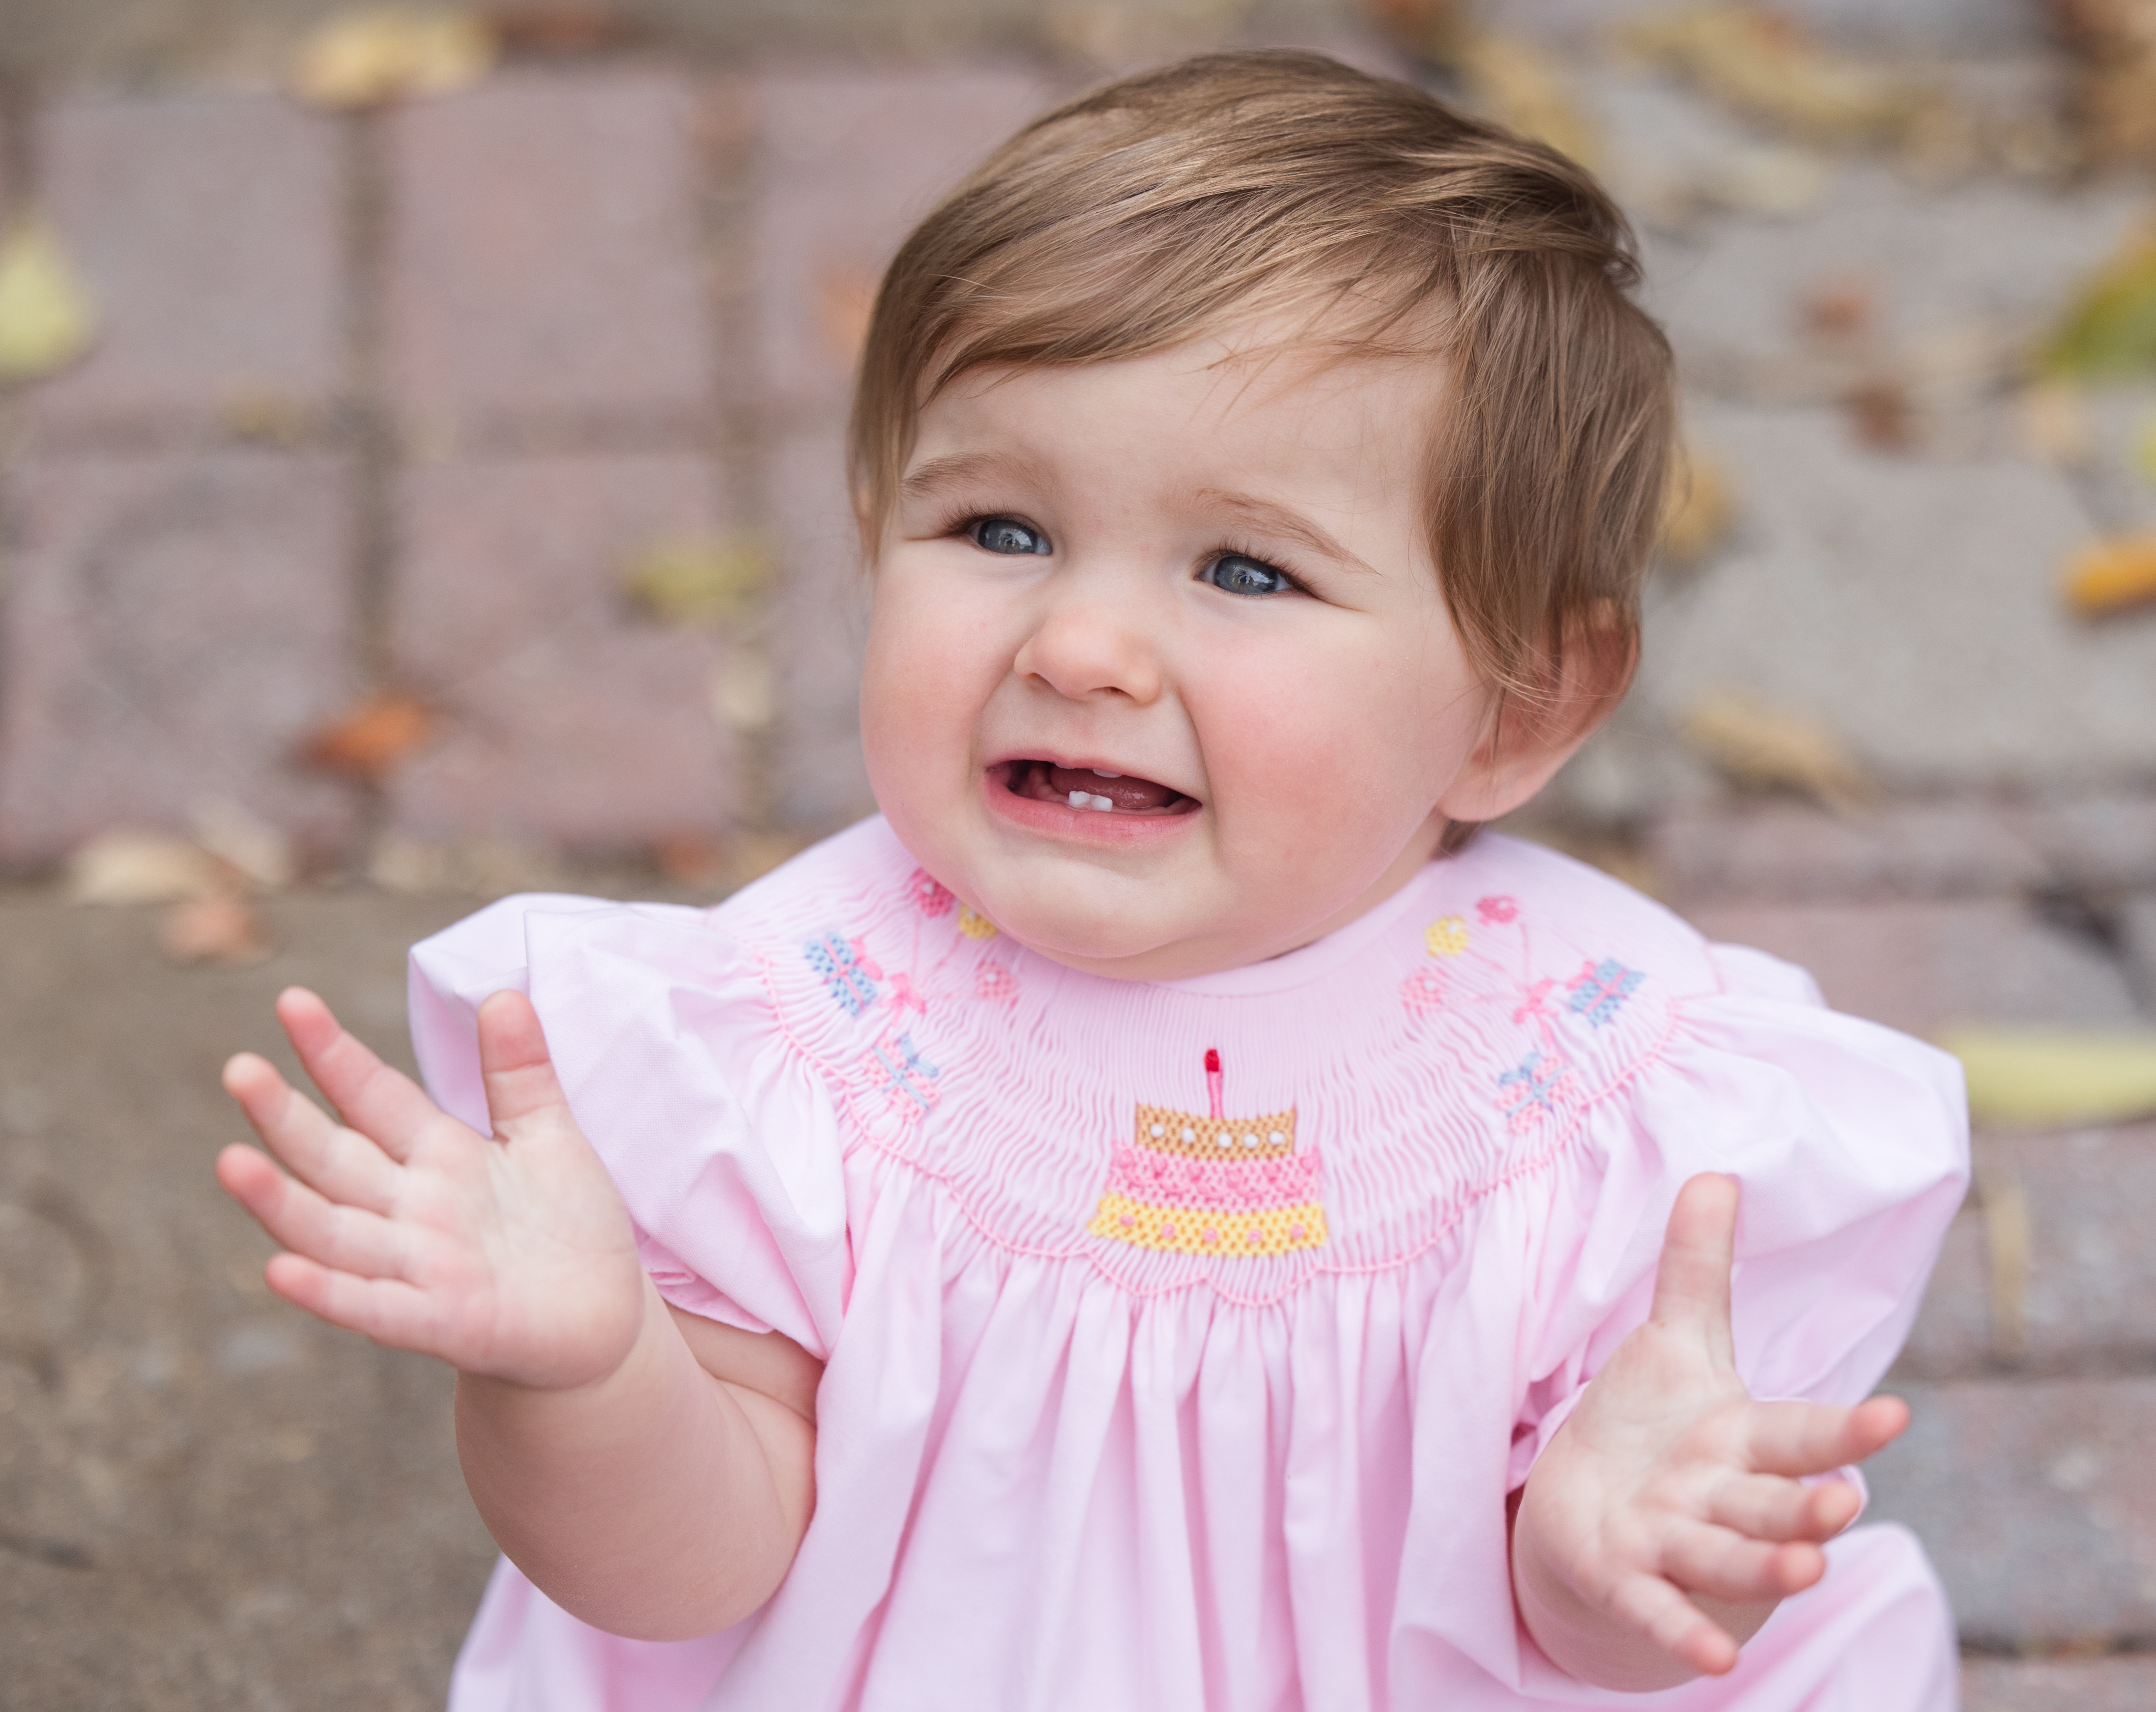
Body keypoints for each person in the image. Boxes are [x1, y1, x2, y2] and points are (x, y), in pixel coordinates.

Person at [215, 50, 1969, 1711]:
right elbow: (688, 1574)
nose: (1078, 643)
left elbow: (1590, 1643)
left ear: (1518, 706)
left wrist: (1609, 1561)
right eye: (1001, 530)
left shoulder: (1599, 1111)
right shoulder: (796, 1045)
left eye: (1244, 569)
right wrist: (588, 1373)